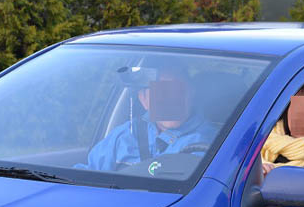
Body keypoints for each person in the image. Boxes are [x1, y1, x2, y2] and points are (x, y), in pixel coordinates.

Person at [81, 66, 217, 172]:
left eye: (178, 91)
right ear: (144, 99)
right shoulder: (124, 135)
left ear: (190, 94)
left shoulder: (208, 142)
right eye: (161, 93)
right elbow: (88, 175)